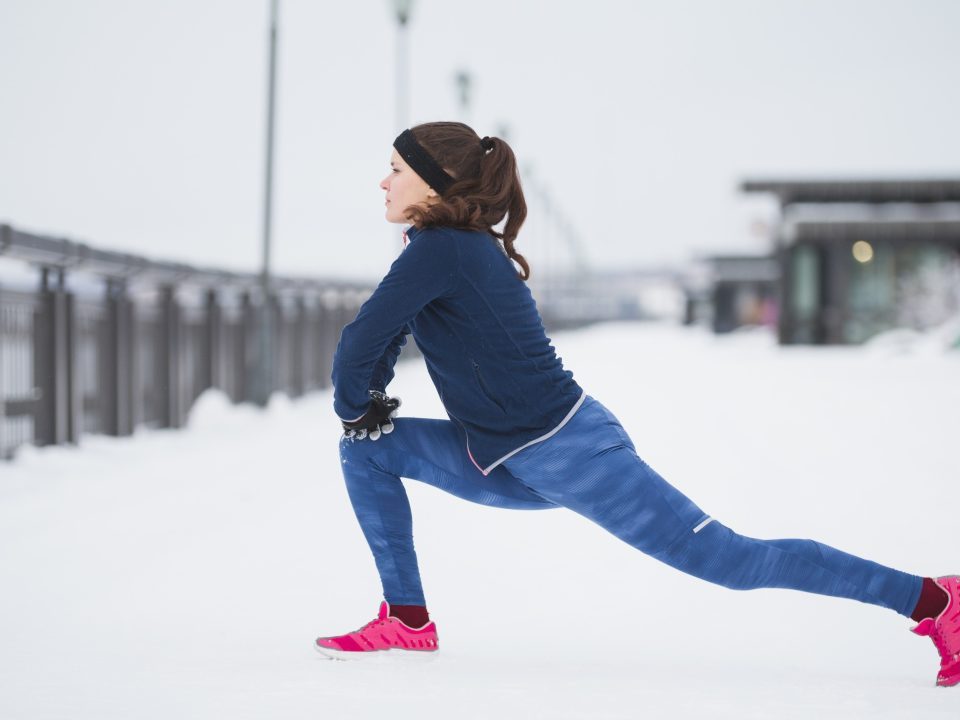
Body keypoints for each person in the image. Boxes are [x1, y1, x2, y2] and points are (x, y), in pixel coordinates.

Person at [313, 121, 959, 686]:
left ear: (433, 182)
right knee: (366, 451)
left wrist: (354, 398)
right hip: (502, 453)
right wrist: (364, 404)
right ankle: (406, 618)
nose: (383, 182)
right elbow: (386, 330)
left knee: (732, 559)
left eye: (395, 169)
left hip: (571, 452)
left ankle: (935, 600)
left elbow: (361, 337)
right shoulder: (433, 248)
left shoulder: (445, 248)